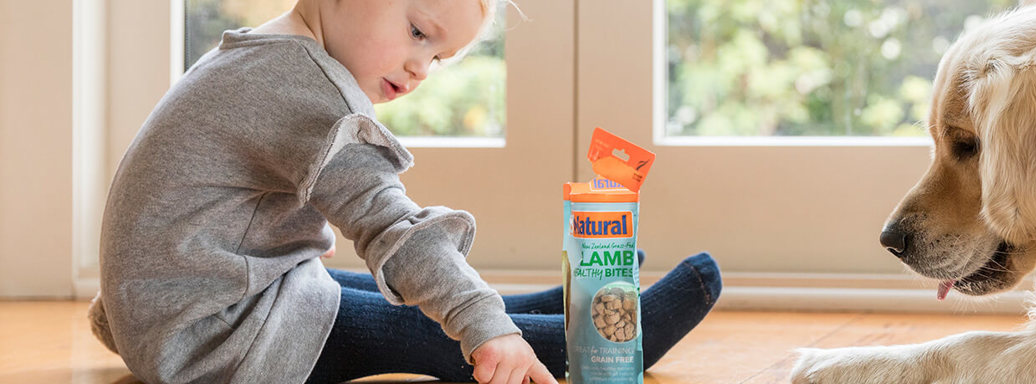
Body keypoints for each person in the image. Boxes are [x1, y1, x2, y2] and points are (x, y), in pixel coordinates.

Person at [86, 1, 723, 383]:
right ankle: (597, 341)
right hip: (215, 340)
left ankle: (531, 305)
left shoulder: (264, 53)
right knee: (415, 321)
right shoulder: (309, 94)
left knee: (369, 289)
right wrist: (482, 331)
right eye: (419, 31)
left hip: (181, 310)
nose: (422, 67)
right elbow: (396, 232)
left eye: (440, 57)